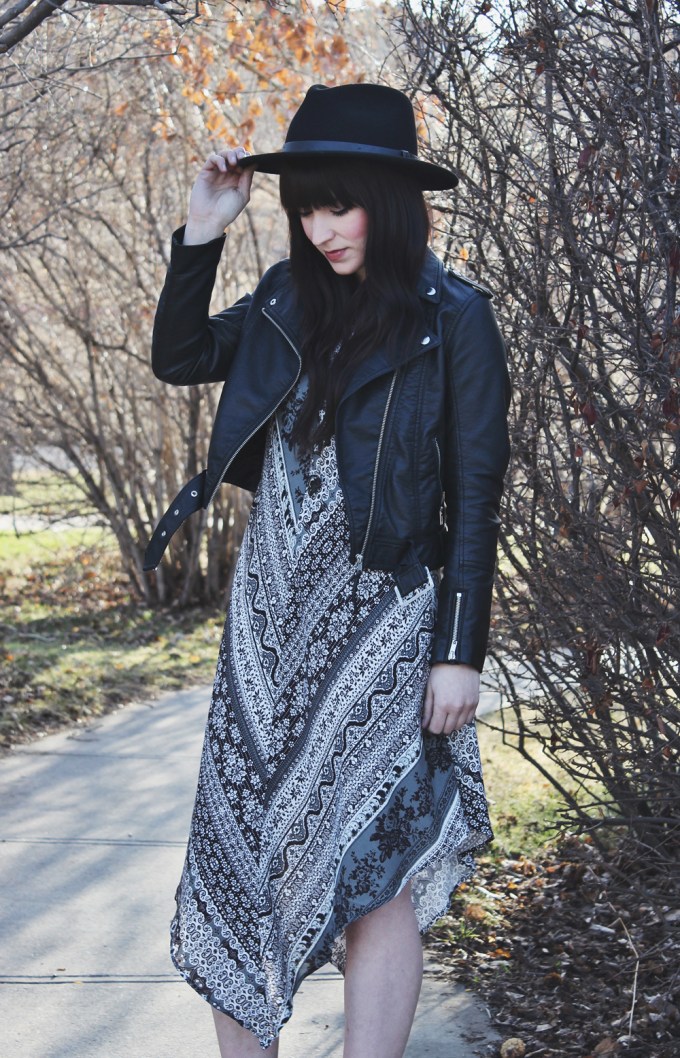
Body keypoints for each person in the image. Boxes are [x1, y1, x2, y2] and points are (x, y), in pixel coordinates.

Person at [145, 83, 510, 1058]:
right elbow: (180, 355)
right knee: (236, 869)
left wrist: (458, 651)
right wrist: (202, 234)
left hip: (384, 626)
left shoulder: (454, 318)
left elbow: (475, 497)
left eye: (340, 206)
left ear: (388, 204)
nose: (321, 229)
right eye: (306, 208)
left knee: (373, 872)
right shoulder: (284, 298)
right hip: (267, 627)